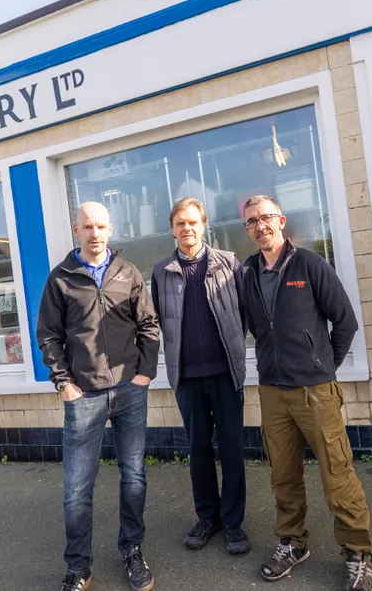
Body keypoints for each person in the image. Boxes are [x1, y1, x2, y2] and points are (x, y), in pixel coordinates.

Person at [240, 195, 372, 591]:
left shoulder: (309, 264)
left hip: (315, 391)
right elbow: (254, 326)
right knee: (283, 476)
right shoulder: (248, 273)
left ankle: (358, 553)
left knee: (337, 474)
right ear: (247, 229)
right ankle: (292, 543)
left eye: (266, 218)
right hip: (272, 391)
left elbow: (345, 322)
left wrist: (323, 367)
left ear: (280, 220)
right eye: (252, 221)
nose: (260, 226)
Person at [36, 201, 161, 591]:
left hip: (129, 390)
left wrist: (145, 374)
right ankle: (78, 567)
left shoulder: (128, 273)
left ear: (111, 230)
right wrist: (65, 384)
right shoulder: (61, 278)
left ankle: (133, 551)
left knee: (134, 477)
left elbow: (149, 325)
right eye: (87, 226)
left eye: (101, 226)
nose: (95, 233)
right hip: (84, 396)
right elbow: (48, 336)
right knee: (76, 488)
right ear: (77, 231)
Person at [150, 197, 250, 555]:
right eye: (180, 223)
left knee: (233, 449)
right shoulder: (161, 272)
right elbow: (159, 320)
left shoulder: (229, 263)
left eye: (193, 222)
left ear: (203, 224)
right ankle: (208, 516)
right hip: (188, 378)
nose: (187, 228)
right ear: (173, 228)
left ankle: (234, 521)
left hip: (225, 374)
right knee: (199, 450)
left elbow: (244, 313)